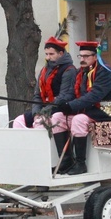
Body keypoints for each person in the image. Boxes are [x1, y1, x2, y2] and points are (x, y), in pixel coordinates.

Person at [56, 41, 111, 175]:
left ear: (95, 56)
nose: (82, 59)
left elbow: (94, 95)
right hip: (90, 110)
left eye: (86, 56)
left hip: (109, 110)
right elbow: (71, 93)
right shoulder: (81, 72)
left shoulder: (106, 72)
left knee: (79, 120)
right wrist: (59, 104)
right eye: (80, 56)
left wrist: (71, 106)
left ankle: (81, 163)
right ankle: (66, 161)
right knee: (56, 118)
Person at [12, 36, 78, 173]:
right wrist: (36, 112)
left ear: (61, 54)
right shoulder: (44, 70)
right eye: (46, 54)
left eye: (51, 54)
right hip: (43, 109)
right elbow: (37, 95)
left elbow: (65, 95)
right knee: (19, 121)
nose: (48, 57)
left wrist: (44, 112)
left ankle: (44, 162)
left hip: (60, 109)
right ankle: (27, 157)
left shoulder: (69, 70)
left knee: (40, 123)